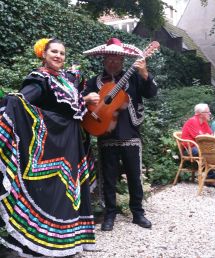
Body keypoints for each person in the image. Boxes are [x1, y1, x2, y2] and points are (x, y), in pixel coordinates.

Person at [0, 38, 96, 257]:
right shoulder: (39, 79)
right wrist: (11, 104)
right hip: (49, 146)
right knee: (48, 192)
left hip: (70, 144)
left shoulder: (65, 79)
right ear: (43, 54)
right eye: (54, 51)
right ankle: (40, 244)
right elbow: (23, 101)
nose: (58, 56)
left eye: (62, 53)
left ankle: (66, 244)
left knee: (67, 193)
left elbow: (73, 100)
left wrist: (86, 97)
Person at [83, 38, 158, 231]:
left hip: (130, 133)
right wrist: (89, 101)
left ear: (123, 60)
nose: (113, 62)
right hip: (105, 134)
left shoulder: (133, 77)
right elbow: (84, 106)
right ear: (104, 60)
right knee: (108, 178)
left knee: (134, 176)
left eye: (117, 58)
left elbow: (151, 93)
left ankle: (138, 213)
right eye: (109, 58)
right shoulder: (94, 82)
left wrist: (144, 72)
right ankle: (110, 214)